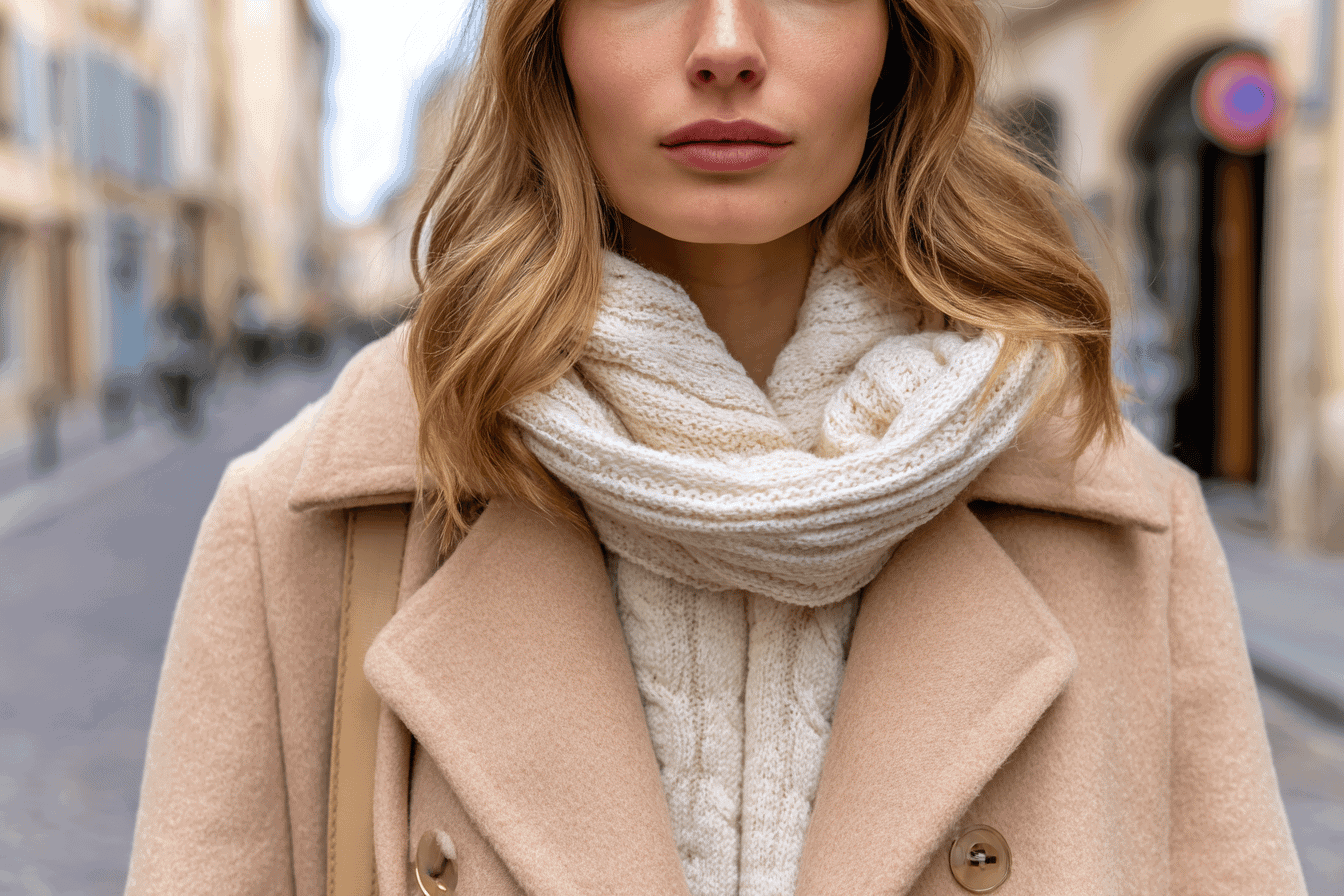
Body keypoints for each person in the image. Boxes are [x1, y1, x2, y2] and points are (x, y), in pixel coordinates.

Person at [124, 0, 1308, 892]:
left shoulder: (1126, 531)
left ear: (902, 34)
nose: (726, 43)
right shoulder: (306, 529)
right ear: (551, 39)